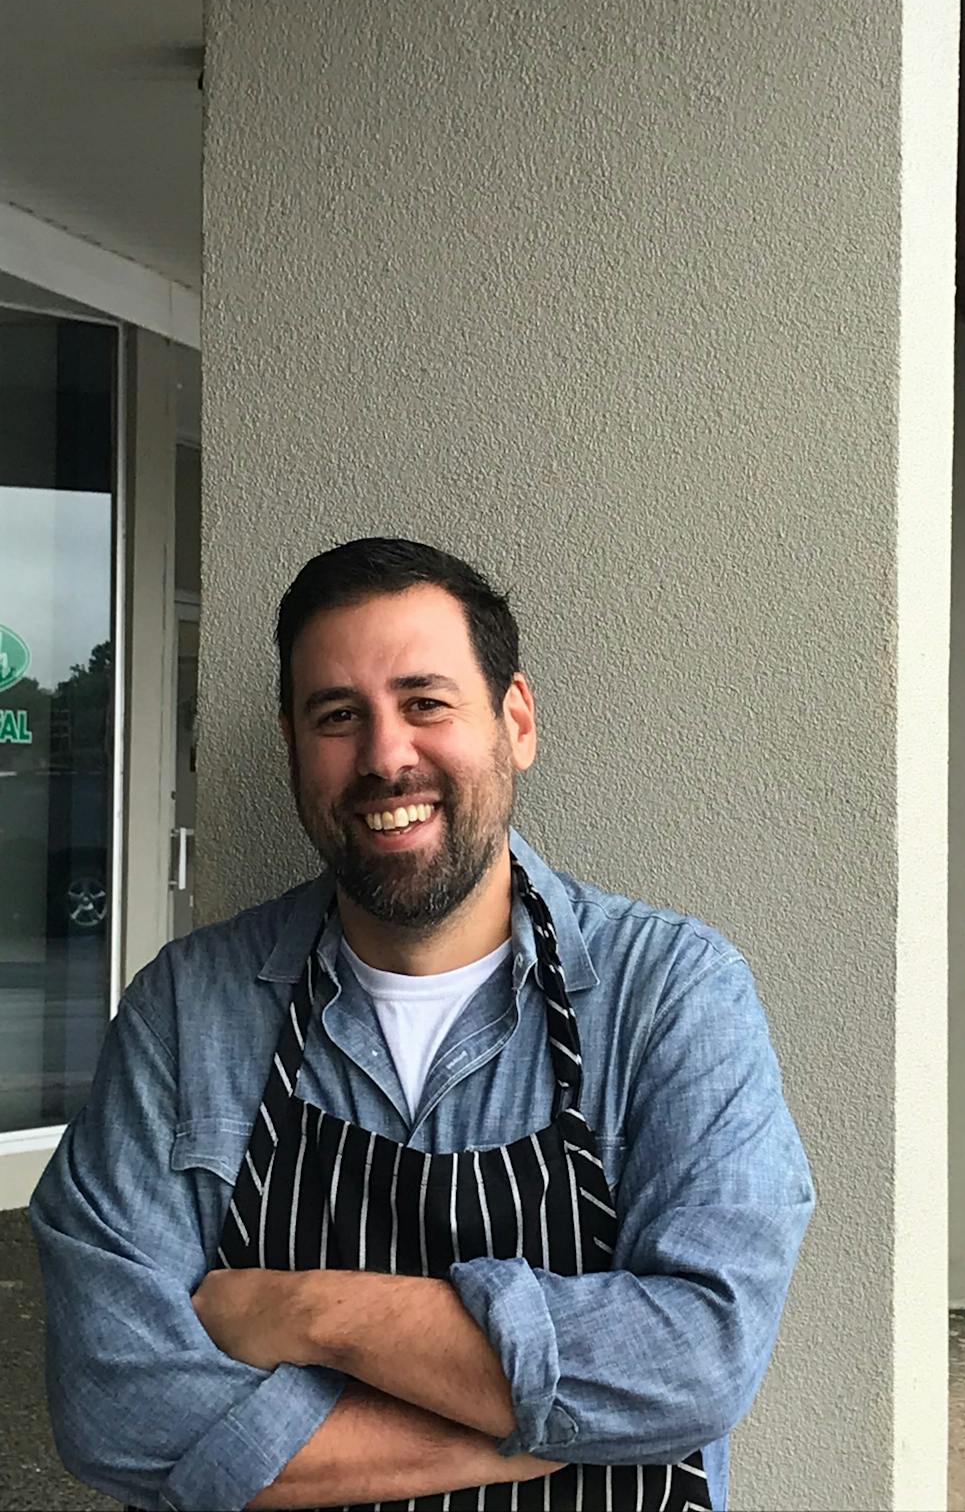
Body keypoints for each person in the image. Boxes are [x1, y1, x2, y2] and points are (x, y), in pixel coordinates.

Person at [30, 537, 814, 1512]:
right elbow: (114, 1406)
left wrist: (309, 1311)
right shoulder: (187, 1010)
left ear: (515, 721)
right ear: (292, 745)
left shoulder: (669, 992)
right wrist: (534, 1430)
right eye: (337, 715)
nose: (386, 754)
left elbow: (699, 1357)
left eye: (426, 702)